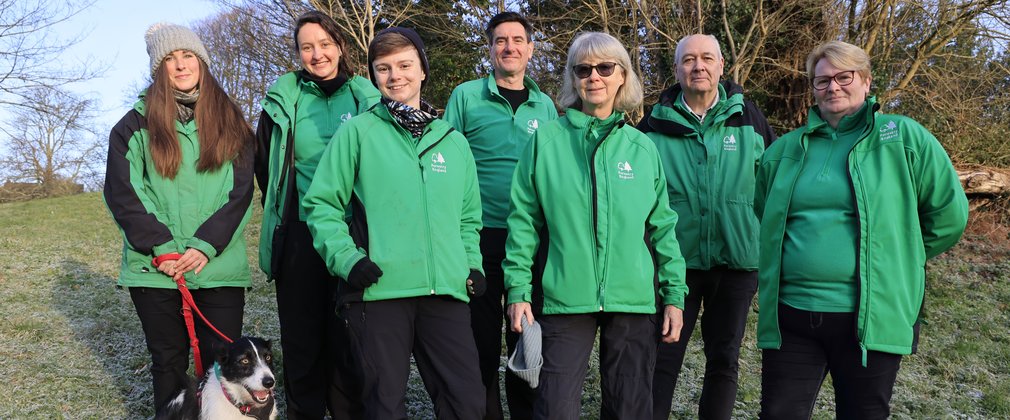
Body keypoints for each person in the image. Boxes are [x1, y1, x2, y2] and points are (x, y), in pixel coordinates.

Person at [754, 40, 969, 419]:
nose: (832, 87)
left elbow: (949, 215)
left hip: (870, 317)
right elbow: (765, 212)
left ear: (866, 82)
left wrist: (900, 256)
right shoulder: (784, 150)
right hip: (792, 316)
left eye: (844, 77)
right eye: (822, 81)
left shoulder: (903, 138)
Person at [302, 27, 486, 419]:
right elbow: (320, 204)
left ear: (423, 70)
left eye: (404, 65)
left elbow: (468, 218)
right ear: (373, 75)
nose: (394, 76)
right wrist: (348, 260)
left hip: (446, 293)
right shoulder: (357, 132)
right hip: (380, 293)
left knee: (467, 402)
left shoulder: (453, 141)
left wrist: (472, 264)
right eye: (383, 68)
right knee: (382, 407)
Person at [504, 31, 689, 420]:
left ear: (622, 75)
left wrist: (674, 294)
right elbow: (523, 222)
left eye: (605, 67)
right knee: (554, 408)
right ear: (573, 79)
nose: (594, 76)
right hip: (564, 295)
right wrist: (518, 289)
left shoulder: (643, 149)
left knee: (630, 408)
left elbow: (663, 228)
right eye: (583, 69)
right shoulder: (545, 143)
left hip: (633, 298)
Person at [103, 22, 254, 416]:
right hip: (156, 268)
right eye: (169, 59)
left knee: (224, 363)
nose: (180, 65)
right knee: (168, 362)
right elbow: (123, 192)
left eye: (187, 55)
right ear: (158, 69)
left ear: (202, 61)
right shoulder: (131, 126)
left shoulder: (233, 122)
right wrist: (163, 247)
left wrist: (205, 245)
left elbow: (239, 194)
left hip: (217, 266)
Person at [638, 34, 776, 420]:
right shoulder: (653, 125)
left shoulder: (748, 117)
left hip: (738, 262)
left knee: (724, 360)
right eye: (688, 60)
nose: (698, 66)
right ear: (677, 69)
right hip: (674, 264)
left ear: (721, 66)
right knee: (663, 357)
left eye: (706, 58)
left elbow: (774, 185)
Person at [253, 10, 380, 419]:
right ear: (298, 53)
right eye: (307, 47)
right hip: (300, 233)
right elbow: (264, 164)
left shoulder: (367, 96)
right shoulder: (283, 97)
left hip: (354, 232)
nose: (317, 54)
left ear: (340, 46)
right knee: (303, 340)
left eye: (325, 44)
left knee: (349, 338)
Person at [442, 11, 557, 420]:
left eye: (517, 40)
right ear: (490, 49)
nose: (509, 47)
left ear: (530, 48)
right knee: (480, 342)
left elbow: (554, 171)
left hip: (530, 240)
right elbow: (444, 157)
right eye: (500, 40)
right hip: (479, 236)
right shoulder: (466, 96)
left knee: (526, 339)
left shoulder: (546, 106)